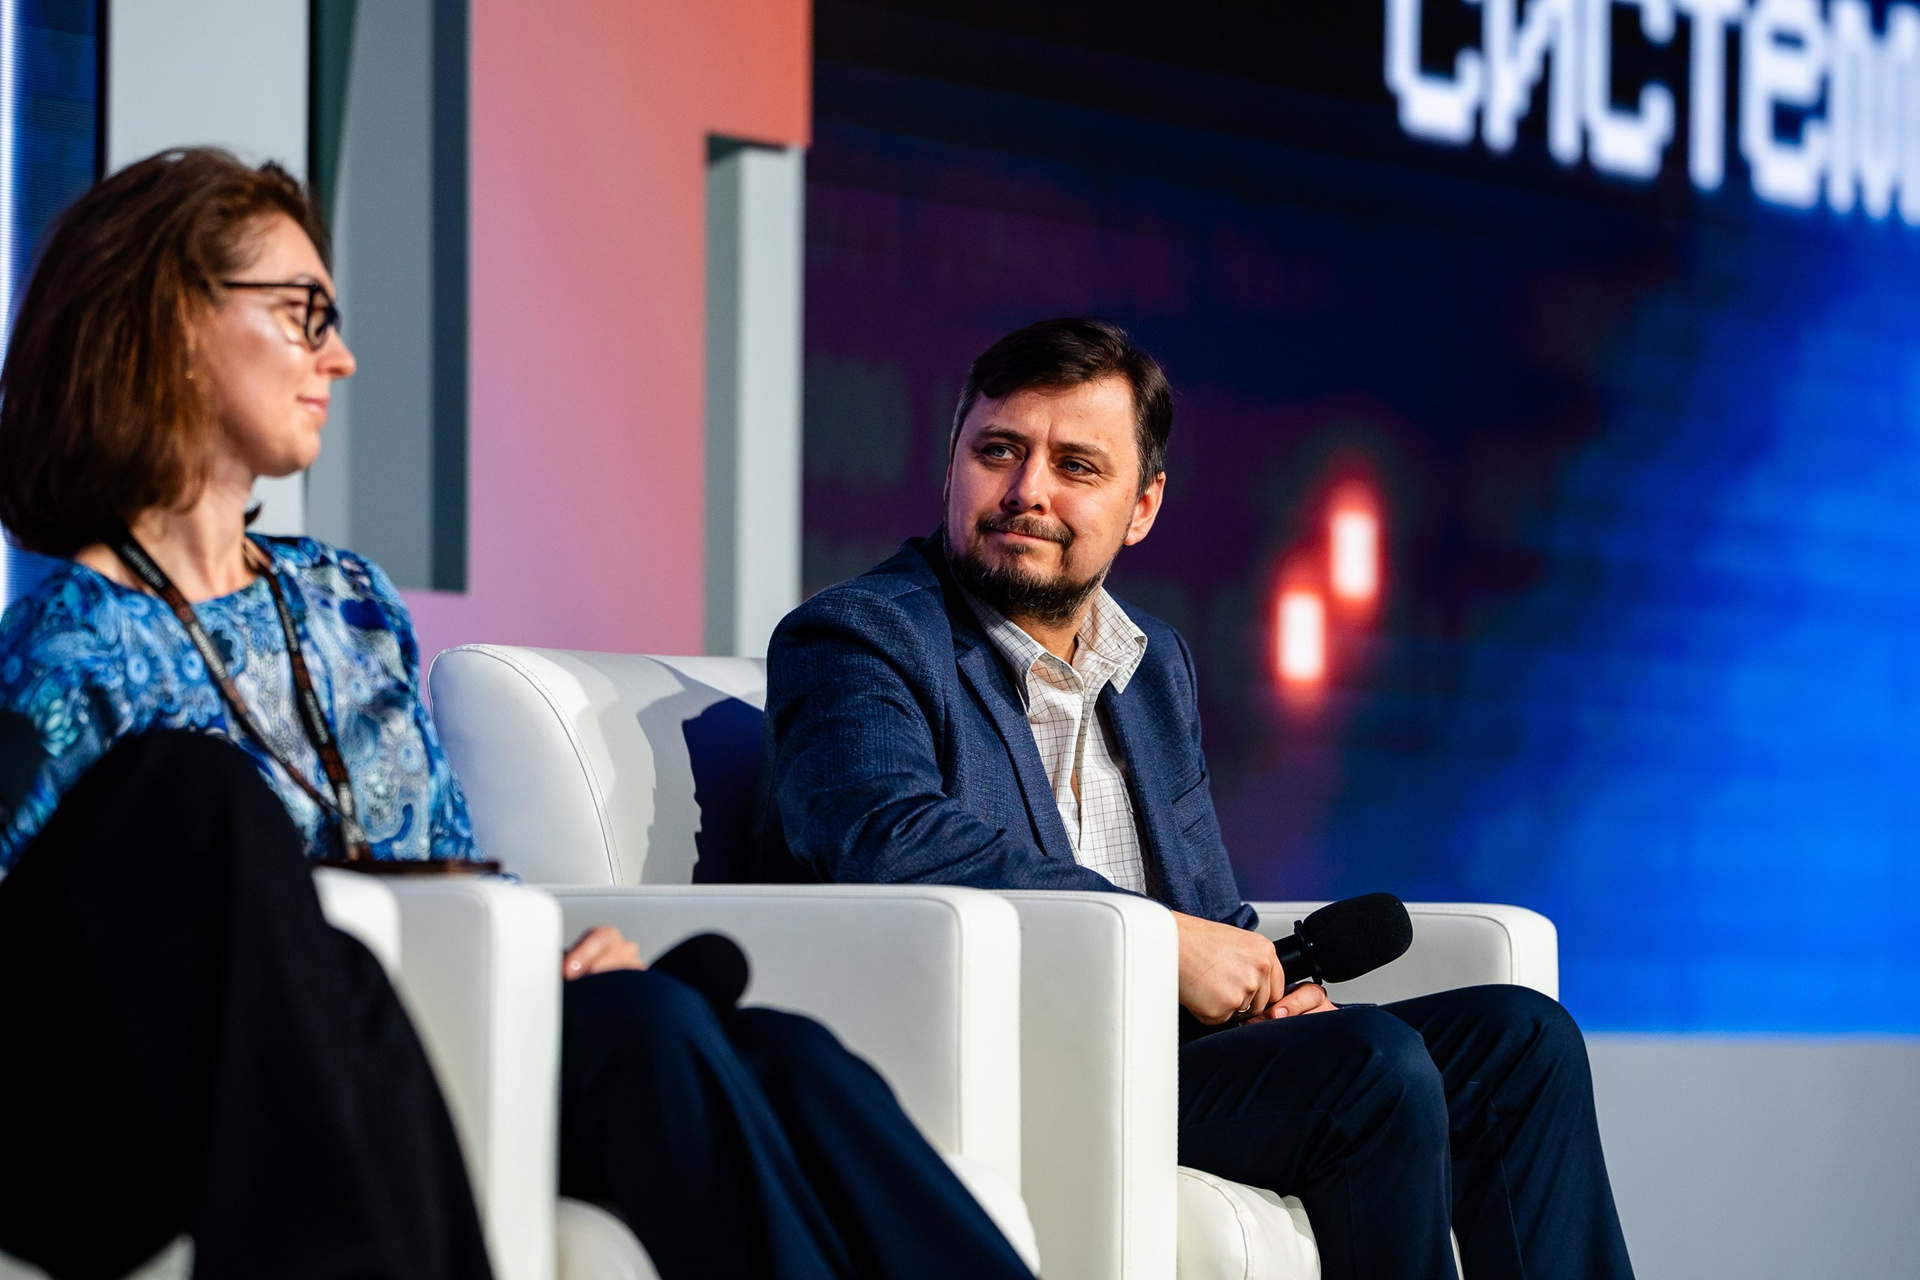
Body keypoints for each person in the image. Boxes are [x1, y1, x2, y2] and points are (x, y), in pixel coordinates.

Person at [0, 149, 1032, 1280]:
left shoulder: (344, 598)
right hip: (305, 1064)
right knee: (651, 1033)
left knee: (793, 1054)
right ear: (173, 325)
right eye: (304, 315)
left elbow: (445, 856)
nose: (339, 356)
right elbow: (57, 973)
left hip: (466, 997)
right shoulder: (67, 647)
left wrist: (539, 944)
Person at [755, 317, 1639, 1280]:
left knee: (1523, 1042)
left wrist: (1279, 997)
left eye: (1076, 466)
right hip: (1020, 1065)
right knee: (1373, 1069)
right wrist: (1159, 939)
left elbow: (1212, 911)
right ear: (952, 465)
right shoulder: (859, 637)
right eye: (998, 451)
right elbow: (884, 839)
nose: (1027, 491)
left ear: (1142, 506)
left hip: (1172, 1060)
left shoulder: (1151, 663)